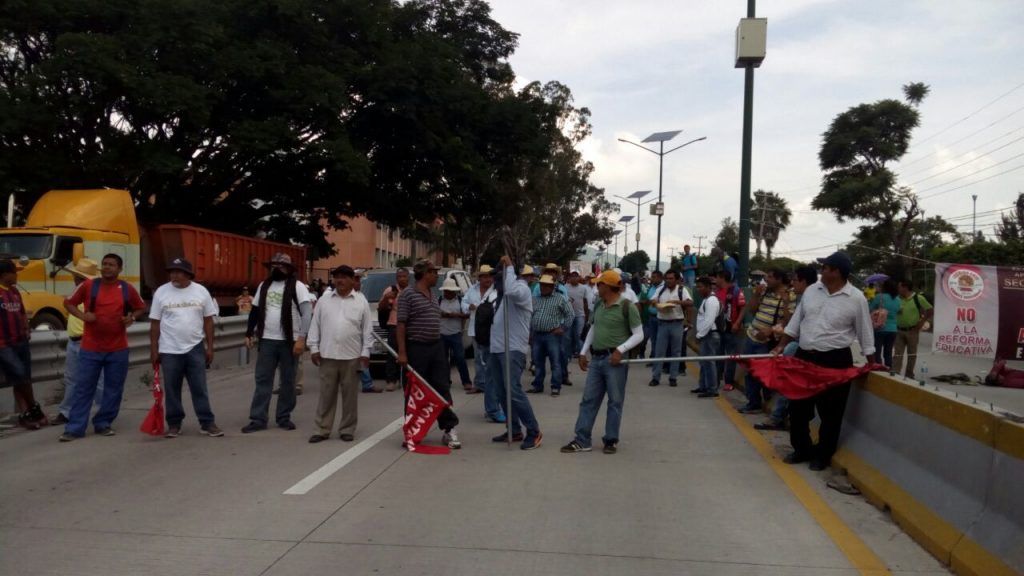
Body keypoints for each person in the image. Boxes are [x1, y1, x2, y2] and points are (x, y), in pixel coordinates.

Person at [772, 252, 874, 471]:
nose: (821, 271)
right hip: (804, 357)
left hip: (835, 360)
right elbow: (795, 323)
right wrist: (781, 346)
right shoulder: (811, 291)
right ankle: (801, 449)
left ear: (836, 272)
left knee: (831, 413)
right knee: (798, 408)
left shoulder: (856, 299)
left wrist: (872, 362)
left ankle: (823, 455)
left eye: (825, 267)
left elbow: (865, 334)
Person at [59, 254, 147, 441]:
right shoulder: (89, 285)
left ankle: (103, 423)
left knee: (114, 389)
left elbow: (141, 307)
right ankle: (74, 428)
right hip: (91, 348)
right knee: (84, 388)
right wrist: (83, 317)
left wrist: (131, 317)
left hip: (118, 349)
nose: (107, 268)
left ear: (120, 269)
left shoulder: (126, 288)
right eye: (105, 264)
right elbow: (68, 303)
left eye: (112, 265)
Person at [562, 269, 644, 454]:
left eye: (599, 284)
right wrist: (583, 352)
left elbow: (639, 334)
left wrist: (620, 350)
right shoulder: (599, 304)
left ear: (608, 286)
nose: (596, 287)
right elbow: (593, 328)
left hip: (615, 361)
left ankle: (611, 440)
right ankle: (582, 440)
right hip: (597, 359)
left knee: (615, 401)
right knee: (588, 400)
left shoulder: (627, 306)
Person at [148, 257, 222, 438]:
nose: (174, 275)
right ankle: (174, 424)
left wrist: (210, 347)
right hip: (169, 349)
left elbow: (208, 321)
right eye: (171, 271)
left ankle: (207, 422)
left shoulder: (201, 291)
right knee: (172, 388)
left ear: (188, 274)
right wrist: (154, 349)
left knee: (199, 387)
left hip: (195, 347)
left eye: (178, 271)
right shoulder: (161, 292)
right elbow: (155, 323)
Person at [242, 253, 313, 433]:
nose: (277, 268)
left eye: (281, 266)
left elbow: (306, 313)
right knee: (263, 379)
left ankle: (284, 417)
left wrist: (301, 339)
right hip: (266, 340)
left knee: (288, 381)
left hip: (289, 341)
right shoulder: (264, 285)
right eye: (274, 266)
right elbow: (255, 310)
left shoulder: (297, 287)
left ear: (289, 269)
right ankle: (258, 418)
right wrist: (249, 333)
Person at [396, 259, 461, 449]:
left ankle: (449, 429)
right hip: (416, 348)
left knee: (442, 388)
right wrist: (402, 352)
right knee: (414, 391)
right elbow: (401, 324)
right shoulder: (408, 294)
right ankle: (412, 431)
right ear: (424, 274)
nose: (436, 275)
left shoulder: (432, 295)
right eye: (433, 272)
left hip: (436, 347)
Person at [307, 265, 373, 443]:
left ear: (352, 280)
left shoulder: (361, 301)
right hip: (327, 355)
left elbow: (367, 330)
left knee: (349, 396)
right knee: (326, 395)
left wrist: (365, 351)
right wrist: (314, 348)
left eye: (344, 277)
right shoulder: (324, 300)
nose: (340, 280)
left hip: (352, 356)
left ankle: (347, 428)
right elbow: (315, 325)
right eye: (337, 277)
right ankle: (322, 429)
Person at [488, 256, 543, 450]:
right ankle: (514, 429)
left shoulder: (520, 289)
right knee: (501, 391)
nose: (495, 279)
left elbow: (511, 289)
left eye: (499, 275)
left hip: (512, 349)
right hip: (497, 348)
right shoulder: (499, 295)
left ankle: (534, 431)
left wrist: (510, 267)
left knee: (513, 390)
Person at [755, 265, 818, 431]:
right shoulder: (801, 297)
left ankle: (778, 418)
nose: (792, 283)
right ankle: (780, 417)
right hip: (797, 346)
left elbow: (792, 324)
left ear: (804, 282)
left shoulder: (810, 299)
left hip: (805, 348)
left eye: (795, 280)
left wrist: (782, 345)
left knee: (787, 385)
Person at [53, 258, 103, 425]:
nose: (75, 279)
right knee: (72, 379)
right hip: (74, 341)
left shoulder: (95, 294)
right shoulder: (76, 293)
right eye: (76, 276)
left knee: (96, 380)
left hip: (88, 341)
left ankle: (103, 411)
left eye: (79, 277)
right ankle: (66, 411)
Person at [738, 269, 794, 414]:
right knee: (750, 371)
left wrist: (771, 330)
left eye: (769, 277)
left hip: (767, 340)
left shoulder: (788, 295)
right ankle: (753, 402)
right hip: (752, 335)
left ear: (779, 279)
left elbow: (788, 320)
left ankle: (765, 397)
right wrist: (756, 294)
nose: (766, 280)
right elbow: (753, 310)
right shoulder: (765, 292)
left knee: (762, 372)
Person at [0, 259, 46, 430]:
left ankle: (25, 414)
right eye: (15, 272)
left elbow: (20, 312)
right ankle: (34, 408)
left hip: (21, 341)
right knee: (19, 375)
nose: (17, 275)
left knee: (23, 378)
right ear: (5, 274)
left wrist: (26, 328)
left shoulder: (14, 291)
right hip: (3, 344)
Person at [463, 265, 504, 421]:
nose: (488, 279)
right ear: (479, 278)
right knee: (488, 371)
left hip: (494, 338)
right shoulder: (481, 293)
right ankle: (493, 410)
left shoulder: (496, 292)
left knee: (493, 374)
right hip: (484, 336)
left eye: (491, 276)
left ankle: (493, 408)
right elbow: (465, 304)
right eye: (485, 276)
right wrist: (470, 307)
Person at [528, 274, 574, 396]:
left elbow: (570, 315)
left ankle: (555, 386)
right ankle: (537, 385)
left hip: (552, 335)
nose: (544, 287)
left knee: (555, 362)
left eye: (547, 285)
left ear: (552, 286)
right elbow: (531, 316)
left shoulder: (560, 298)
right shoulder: (536, 299)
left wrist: (563, 328)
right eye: (542, 285)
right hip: (537, 335)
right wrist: (530, 333)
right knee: (538, 362)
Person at [649, 270, 692, 387]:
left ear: (676, 280)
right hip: (662, 323)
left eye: (671, 278)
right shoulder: (661, 289)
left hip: (677, 323)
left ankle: (673, 377)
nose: (668, 280)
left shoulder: (681, 290)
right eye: (667, 278)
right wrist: (656, 303)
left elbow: (689, 303)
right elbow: (652, 300)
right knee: (659, 351)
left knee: (676, 352)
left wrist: (676, 302)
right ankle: (655, 377)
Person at [892, 279, 933, 379]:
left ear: (905, 288)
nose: (898, 289)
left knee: (912, 354)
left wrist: (922, 322)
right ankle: (895, 373)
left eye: (900, 287)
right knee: (897, 353)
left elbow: (930, 310)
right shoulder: (897, 298)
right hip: (899, 330)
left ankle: (909, 374)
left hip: (912, 331)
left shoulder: (918, 298)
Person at [378, 268, 410, 391]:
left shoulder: (412, 291)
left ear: (408, 277)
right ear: (396, 278)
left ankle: (407, 380)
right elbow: (381, 308)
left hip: (409, 326)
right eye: (399, 276)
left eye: (404, 276)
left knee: (408, 353)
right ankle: (392, 380)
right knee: (392, 354)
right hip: (394, 325)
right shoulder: (390, 290)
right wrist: (386, 298)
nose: (402, 278)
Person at [714, 270, 746, 392]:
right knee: (718, 355)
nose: (715, 280)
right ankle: (716, 380)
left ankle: (728, 381)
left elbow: (743, 307)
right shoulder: (716, 293)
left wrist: (737, 323)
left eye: (716, 277)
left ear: (722, 277)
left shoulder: (736, 291)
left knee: (730, 357)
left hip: (731, 329)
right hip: (719, 329)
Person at [439, 278, 472, 391]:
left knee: (460, 358)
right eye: (446, 291)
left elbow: (467, 314)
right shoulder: (439, 300)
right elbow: (434, 313)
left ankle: (466, 381)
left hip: (455, 333)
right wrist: (442, 314)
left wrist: (455, 315)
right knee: (443, 360)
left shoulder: (460, 300)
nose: (448, 293)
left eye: (450, 291)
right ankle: (445, 381)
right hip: (442, 334)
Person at [692, 276, 721, 397]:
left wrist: (699, 335)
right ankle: (703, 386)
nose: (698, 289)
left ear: (709, 287)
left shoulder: (711, 301)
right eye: (697, 287)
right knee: (704, 362)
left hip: (709, 335)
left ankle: (712, 389)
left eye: (700, 287)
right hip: (706, 335)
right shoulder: (706, 299)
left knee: (709, 363)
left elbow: (709, 321)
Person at [353, 269, 381, 393]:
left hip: (359, 334)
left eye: (359, 280)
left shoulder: (361, 296)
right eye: (356, 280)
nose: (359, 283)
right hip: (348, 336)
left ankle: (367, 384)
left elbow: (366, 318)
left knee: (362, 359)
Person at [870, 279, 901, 369]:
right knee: (888, 352)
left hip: (880, 328)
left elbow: (870, 308)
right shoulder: (898, 299)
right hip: (893, 329)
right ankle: (889, 370)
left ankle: (879, 370)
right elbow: (898, 311)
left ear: (885, 287)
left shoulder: (879, 297)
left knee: (877, 352)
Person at [565, 270, 590, 360]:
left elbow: (585, 302)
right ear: (569, 277)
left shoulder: (583, 288)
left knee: (579, 335)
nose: (574, 278)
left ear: (579, 277)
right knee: (568, 336)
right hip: (568, 315)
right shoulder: (565, 287)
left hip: (580, 315)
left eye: (576, 276)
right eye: (572, 276)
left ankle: (581, 354)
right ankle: (568, 355)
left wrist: (586, 316)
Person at [640, 270, 663, 360]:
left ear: (660, 278)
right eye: (652, 277)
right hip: (650, 317)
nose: (652, 279)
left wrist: (647, 302)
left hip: (660, 317)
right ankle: (653, 358)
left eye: (654, 277)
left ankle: (659, 359)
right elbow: (649, 300)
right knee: (653, 339)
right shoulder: (651, 287)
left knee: (660, 340)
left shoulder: (664, 287)